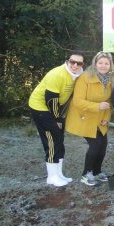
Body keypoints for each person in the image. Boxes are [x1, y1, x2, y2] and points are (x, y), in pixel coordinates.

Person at [29, 51, 85, 187]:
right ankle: (52, 177)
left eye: (79, 63)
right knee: (52, 140)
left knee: (59, 139)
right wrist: (58, 120)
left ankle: (59, 174)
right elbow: (51, 100)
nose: (75, 65)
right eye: (73, 62)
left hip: (56, 109)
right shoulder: (57, 74)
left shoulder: (79, 74)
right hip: (40, 107)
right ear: (67, 61)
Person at [65, 52, 114, 186]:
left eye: (106, 63)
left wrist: (106, 117)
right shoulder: (85, 77)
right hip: (84, 117)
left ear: (110, 65)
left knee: (103, 145)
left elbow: (108, 101)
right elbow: (77, 101)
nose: (103, 66)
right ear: (95, 64)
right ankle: (86, 174)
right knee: (95, 145)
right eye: (100, 63)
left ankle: (97, 172)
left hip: (99, 119)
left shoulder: (109, 80)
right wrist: (97, 106)